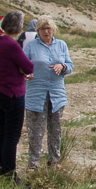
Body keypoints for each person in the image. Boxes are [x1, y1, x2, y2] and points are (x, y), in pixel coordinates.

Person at [23, 16, 73, 172]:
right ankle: (33, 163)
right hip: (36, 93)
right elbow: (23, 65)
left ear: (53, 30)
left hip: (56, 94)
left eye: (49, 28)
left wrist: (62, 66)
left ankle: (54, 160)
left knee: (55, 128)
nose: (46, 32)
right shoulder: (30, 46)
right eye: (43, 29)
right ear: (37, 31)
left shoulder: (61, 45)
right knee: (35, 130)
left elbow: (70, 65)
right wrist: (26, 73)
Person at [0, 11, 34, 185]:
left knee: (0, 132)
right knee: (11, 136)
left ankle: (1, 170)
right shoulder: (11, 45)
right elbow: (28, 66)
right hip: (12, 92)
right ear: (18, 26)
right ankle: (9, 174)